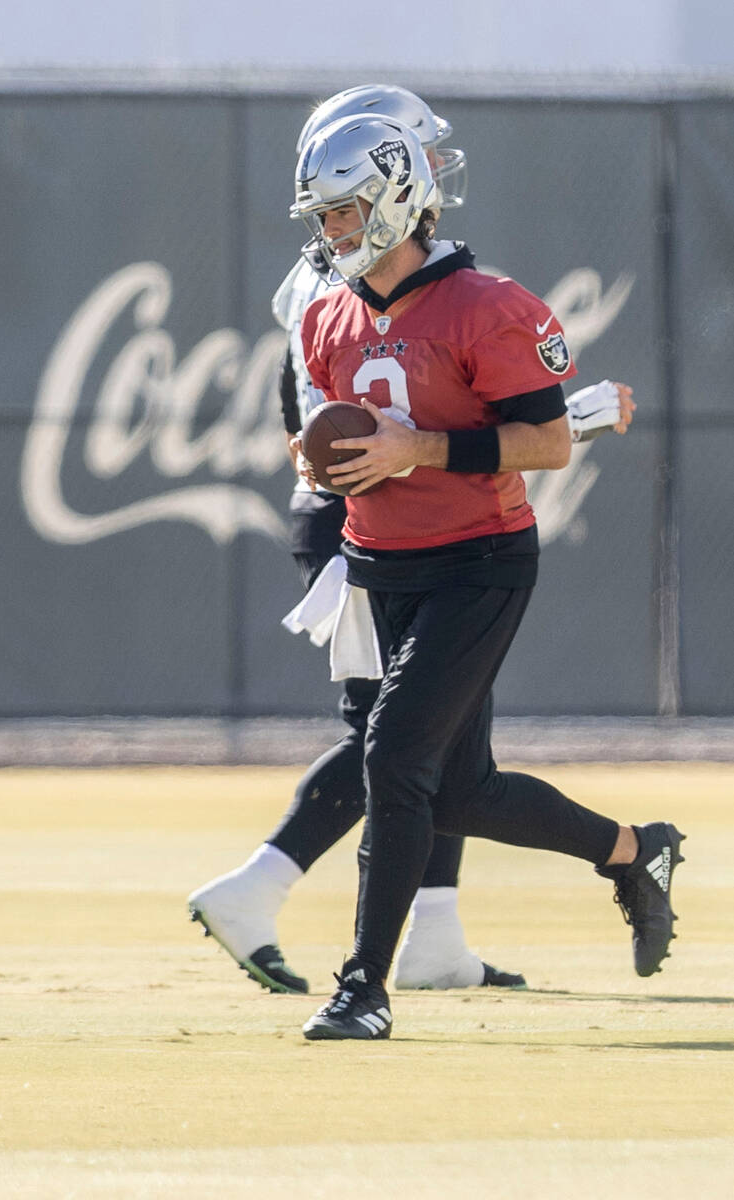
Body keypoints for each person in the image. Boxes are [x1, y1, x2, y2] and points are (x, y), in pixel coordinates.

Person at [187, 85, 635, 997]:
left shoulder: (463, 296)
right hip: (361, 523)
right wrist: (561, 426)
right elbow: (321, 433)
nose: (436, 180)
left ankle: (432, 932)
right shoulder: (334, 292)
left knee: (428, 745)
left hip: (444, 529)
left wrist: (550, 425)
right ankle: (269, 889)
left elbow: (486, 426)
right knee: (397, 740)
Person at [285, 111, 683, 1041]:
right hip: (382, 564)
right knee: (456, 789)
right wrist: (315, 462)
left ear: (393, 200)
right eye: (325, 215)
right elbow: (326, 433)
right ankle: (634, 854)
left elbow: (545, 441)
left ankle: (361, 988)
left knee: (393, 758)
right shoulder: (326, 313)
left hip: (478, 559)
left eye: (344, 213)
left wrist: (415, 449)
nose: (330, 233)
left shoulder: (488, 304)